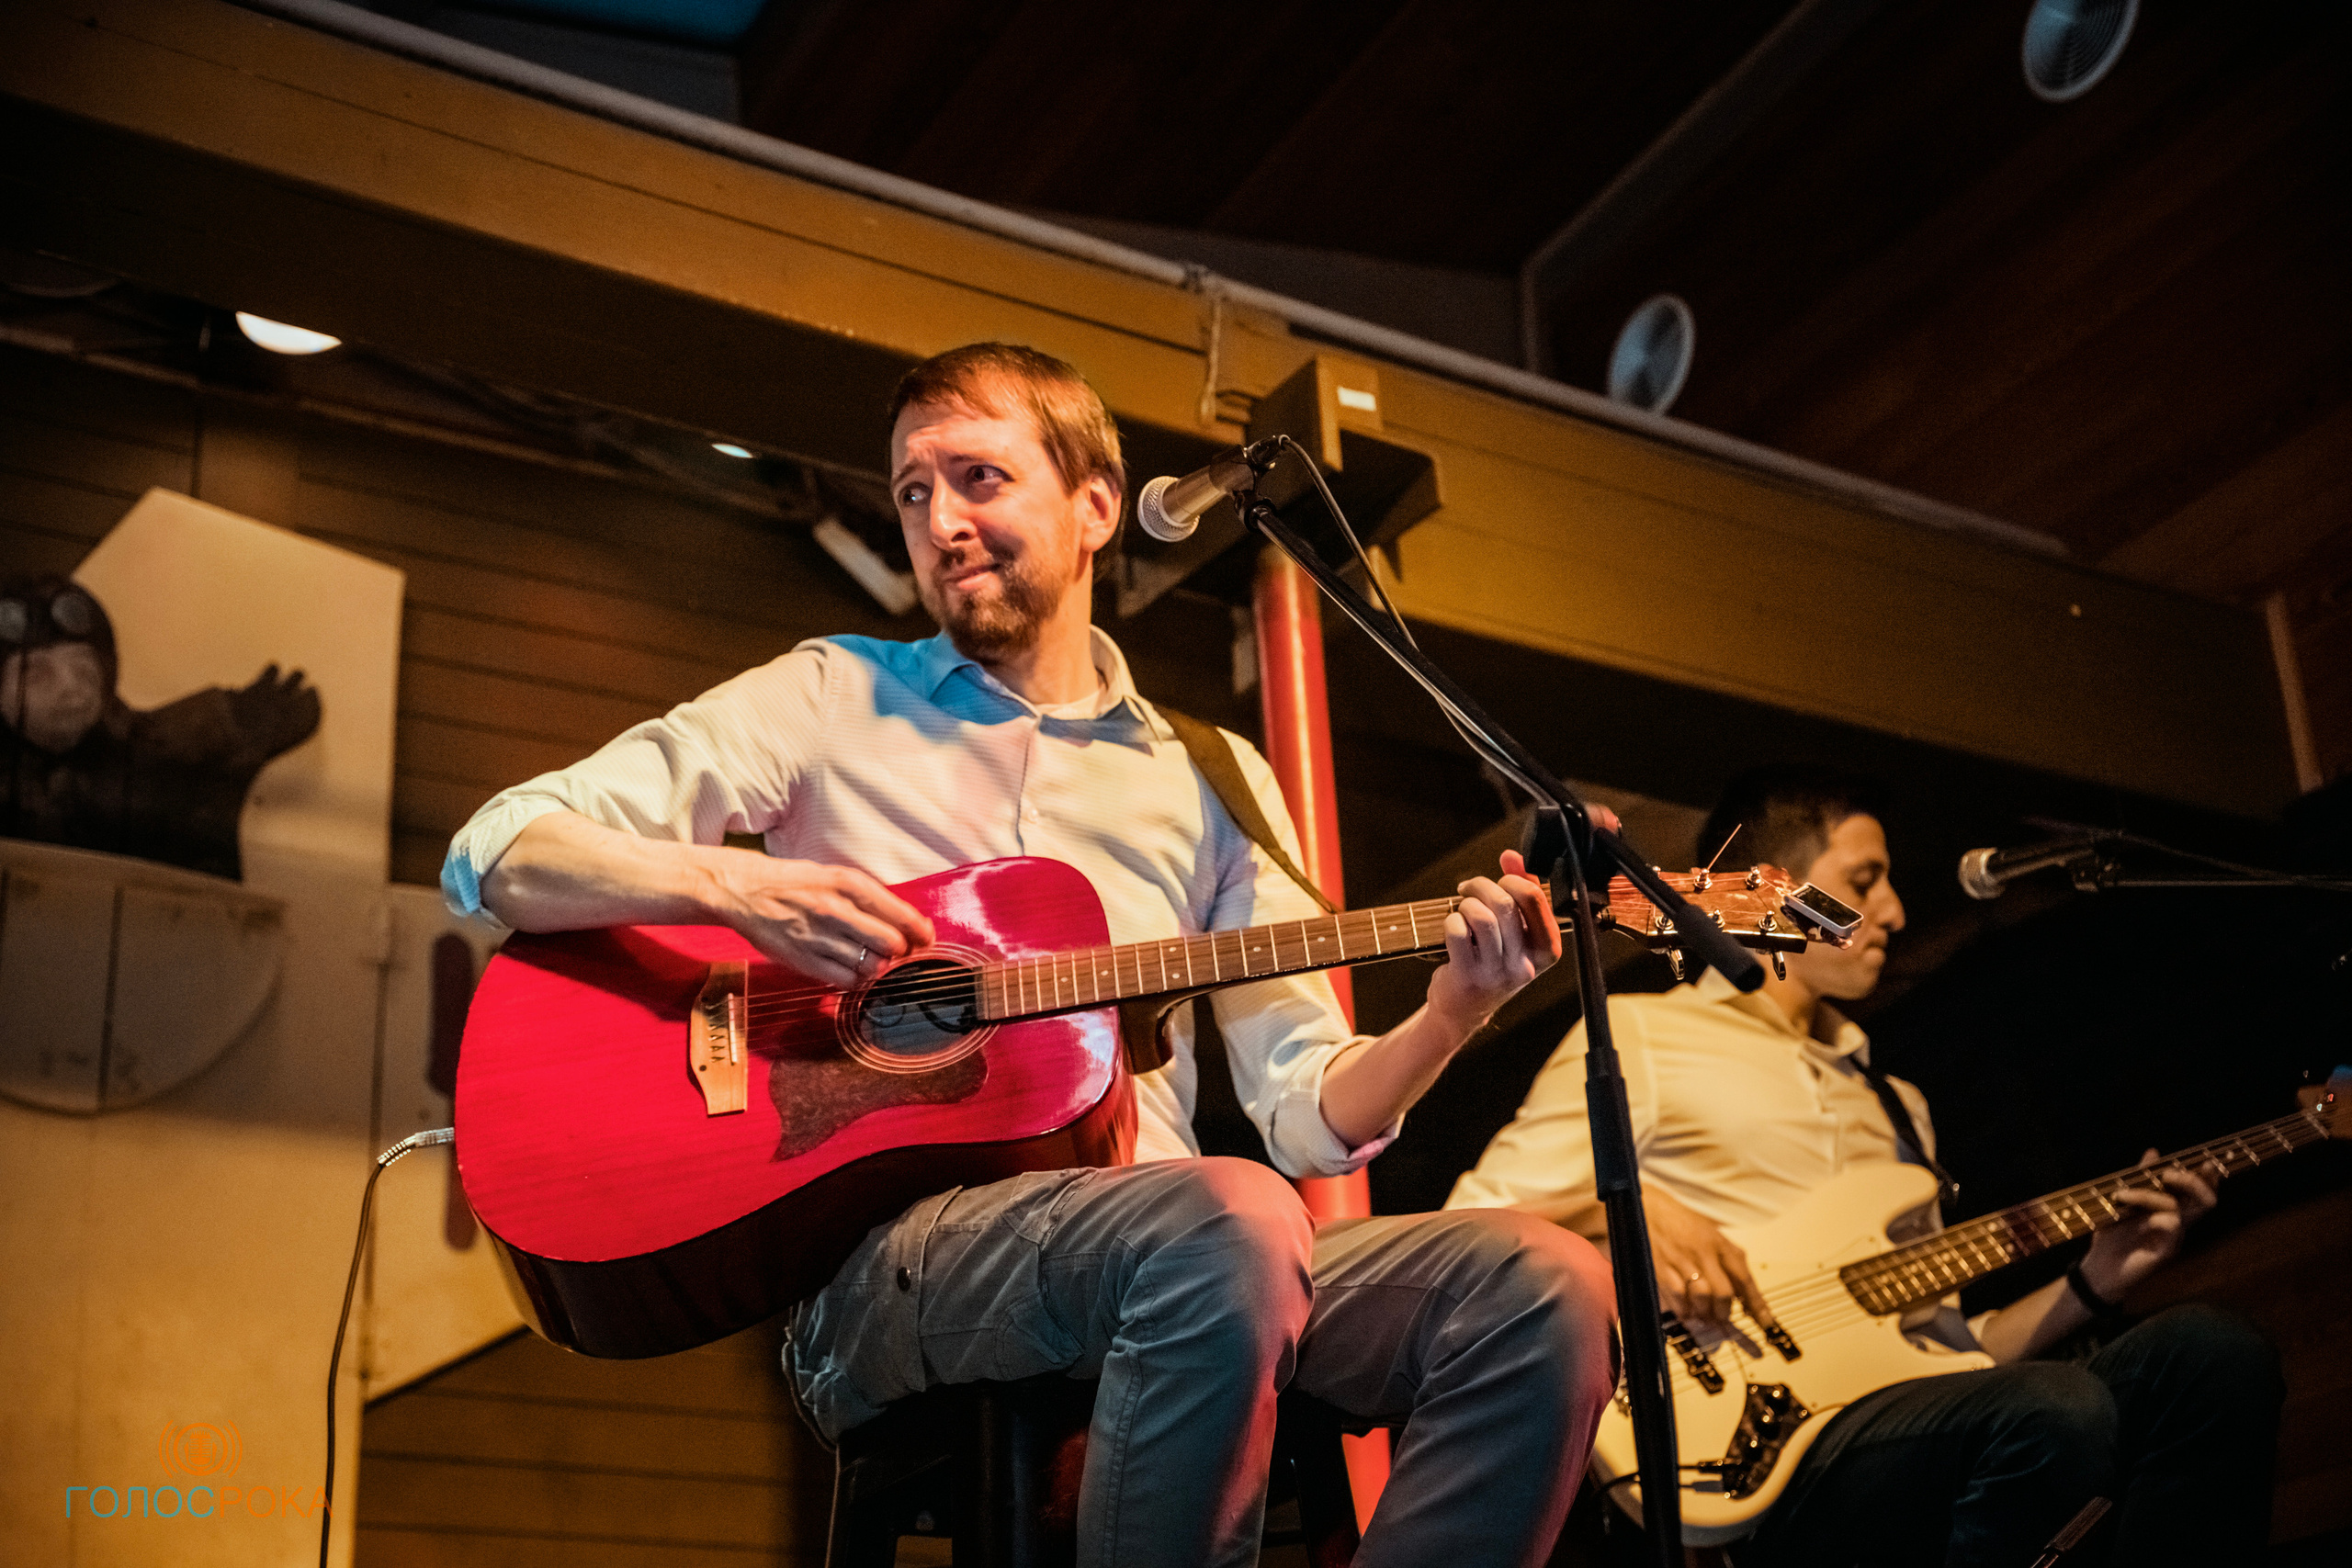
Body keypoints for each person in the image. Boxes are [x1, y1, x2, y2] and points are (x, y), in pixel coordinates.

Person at [441, 344, 1618, 1568]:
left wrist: (1455, 1012)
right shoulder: (829, 695)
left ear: (1095, 504)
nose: (942, 522)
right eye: (911, 491)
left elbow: (1310, 1113)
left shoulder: (1209, 776)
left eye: (980, 478)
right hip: (898, 1265)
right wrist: (733, 885)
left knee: (1543, 1288)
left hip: (1199, 1251)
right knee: (1231, 1218)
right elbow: (498, 845)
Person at [1449, 766, 2284, 1565]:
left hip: (1924, 1416)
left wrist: (2093, 1282)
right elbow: (1467, 1230)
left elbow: (1956, 1352)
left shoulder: (1897, 1103)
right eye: (1866, 876)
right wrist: (1615, 1216)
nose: (1891, 909)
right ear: (1773, 885)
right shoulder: (1645, 1034)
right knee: (2056, 1412)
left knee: (2211, 1355)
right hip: (1766, 1444)